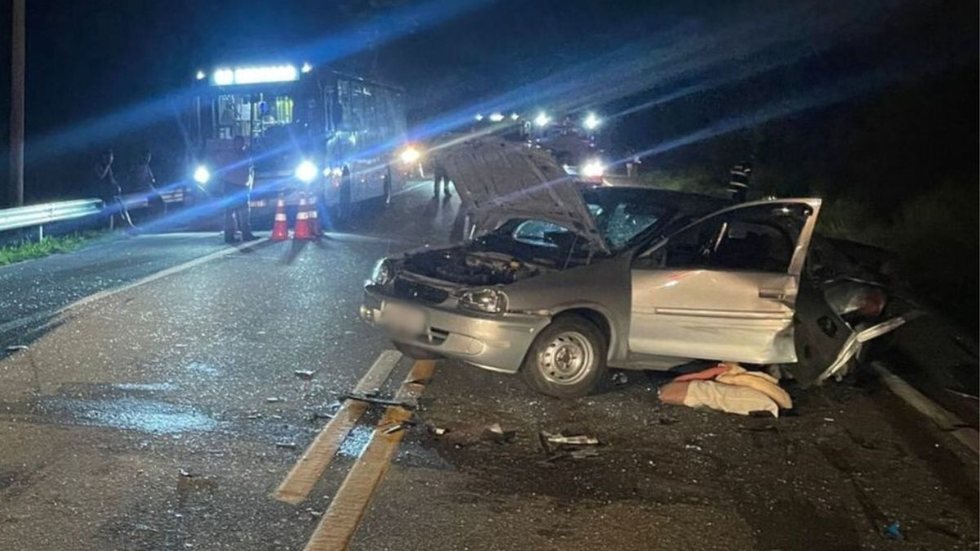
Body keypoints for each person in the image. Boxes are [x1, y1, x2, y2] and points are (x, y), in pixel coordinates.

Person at [220, 136, 255, 243]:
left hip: (242, 186)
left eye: (241, 143)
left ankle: (246, 234)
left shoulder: (246, 156)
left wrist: (250, 186)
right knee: (230, 212)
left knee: (245, 212)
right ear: (234, 144)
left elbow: (251, 171)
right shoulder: (228, 156)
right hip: (231, 186)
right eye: (237, 143)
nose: (239, 145)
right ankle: (229, 236)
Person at [94, 149, 135, 231]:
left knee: (122, 206)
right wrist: (107, 166)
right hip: (101, 193)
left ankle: (129, 225)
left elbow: (111, 179)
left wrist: (117, 186)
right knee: (115, 207)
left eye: (111, 157)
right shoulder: (99, 165)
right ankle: (124, 226)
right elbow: (101, 176)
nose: (110, 159)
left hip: (110, 193)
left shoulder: (109, 167)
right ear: (103, 157)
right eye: (108, 157)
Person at [128, 149, 166, 219]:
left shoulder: (146, 166)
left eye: (149, 157)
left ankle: (159, 216)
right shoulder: (136, 166)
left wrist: (152, 180)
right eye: (146, 156)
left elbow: (151, 177)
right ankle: (153, 216)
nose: (148, 159)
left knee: (159, 201)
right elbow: (135, 179)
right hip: (140, 188)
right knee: (155, 200)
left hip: (147, 188)